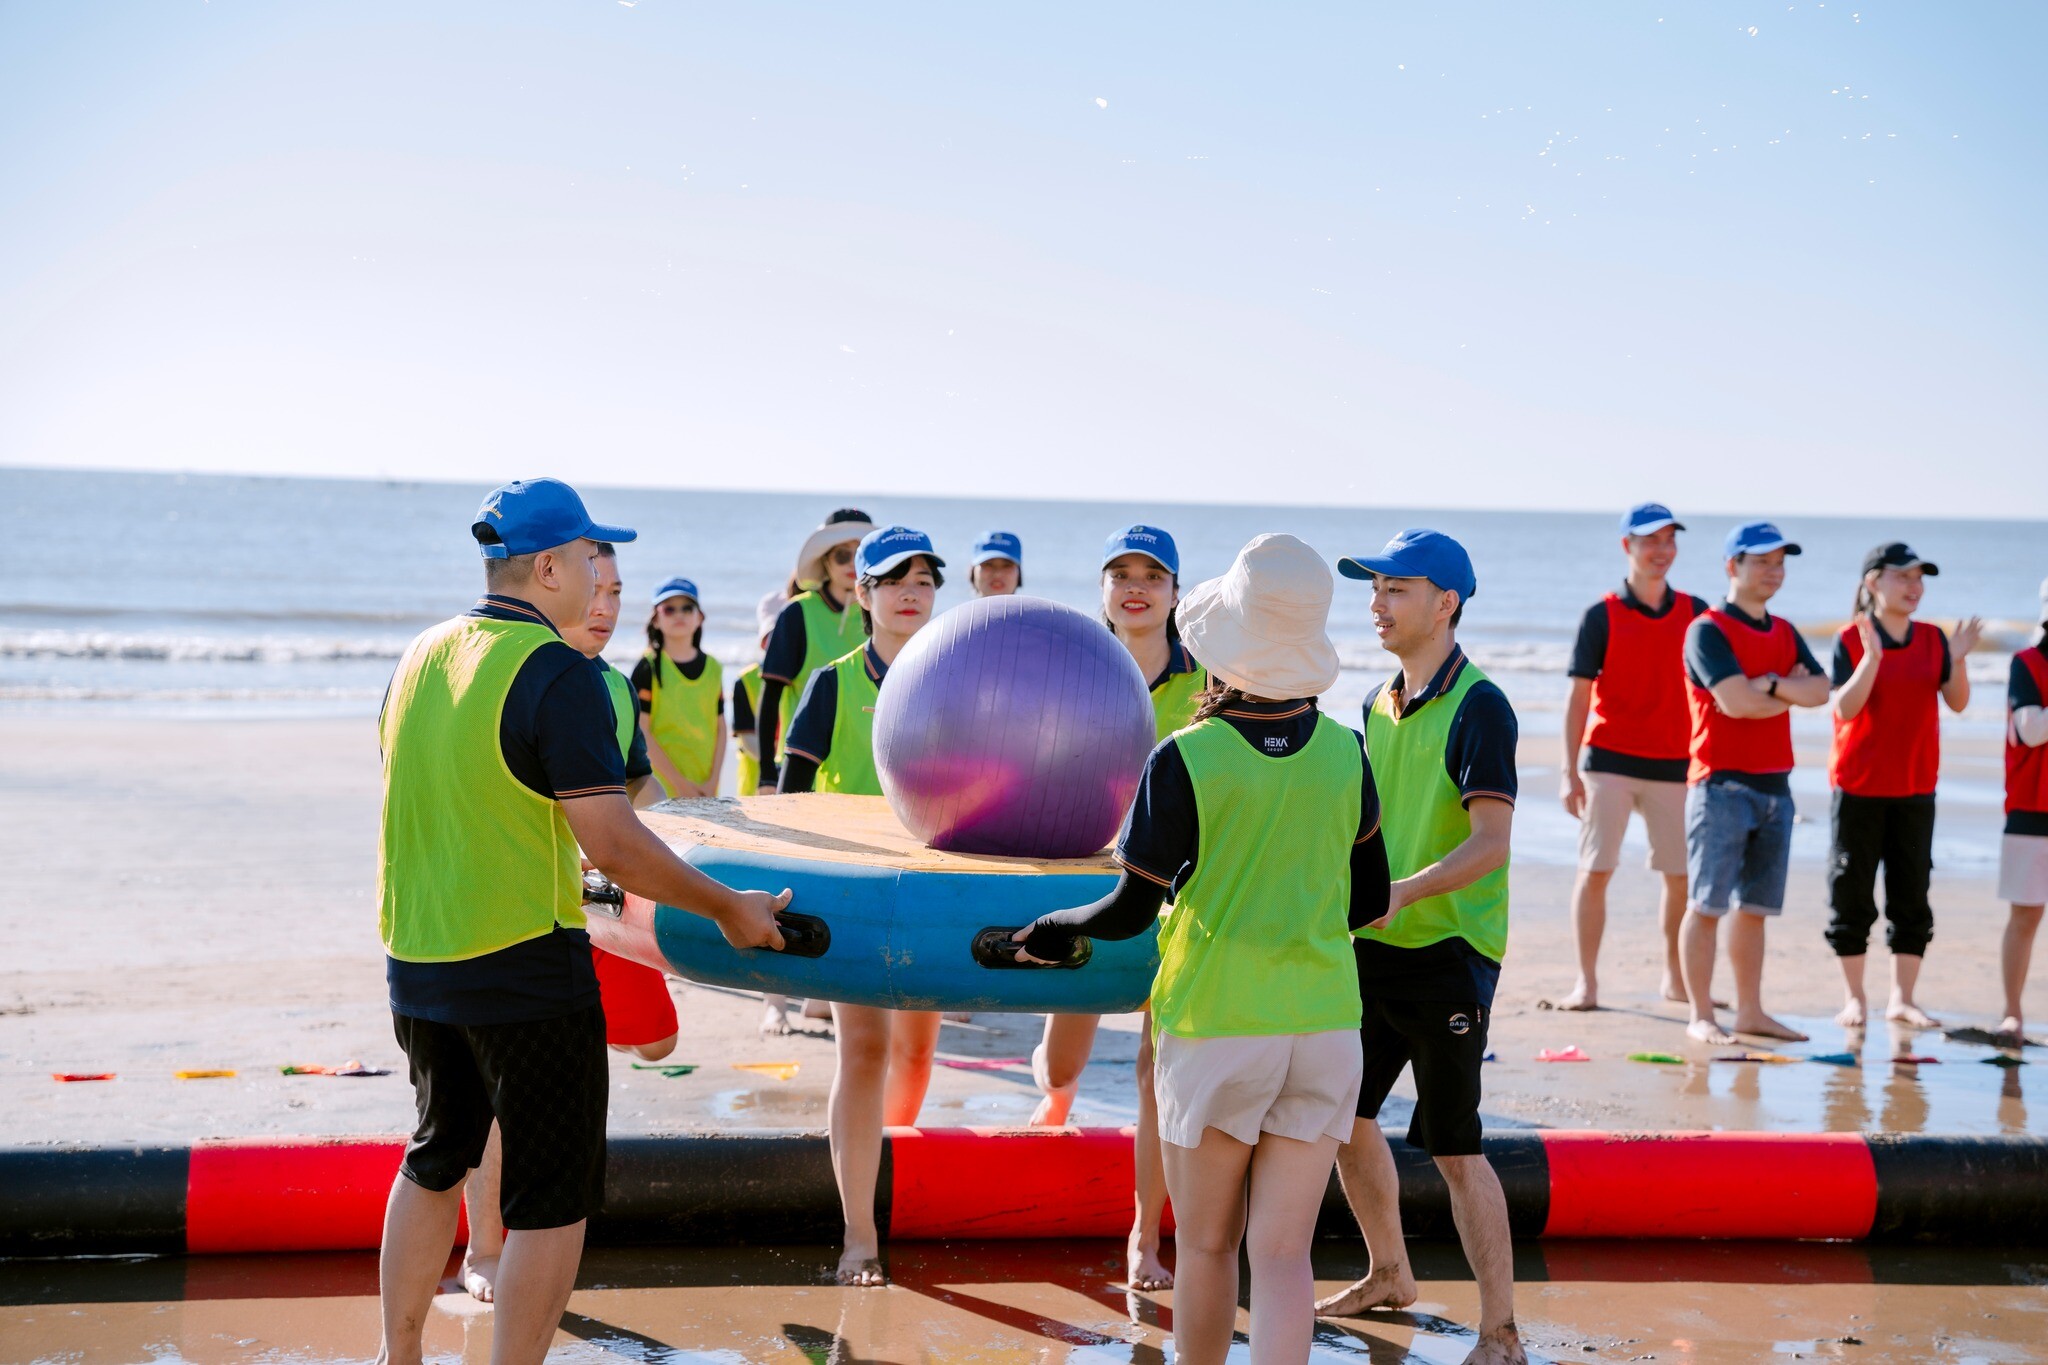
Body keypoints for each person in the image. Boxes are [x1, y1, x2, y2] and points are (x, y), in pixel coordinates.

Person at [375, 478, 786, 1365]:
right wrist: (729, 908)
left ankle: (396, 1355)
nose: (604, 573)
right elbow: (617, 843)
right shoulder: (557, 673)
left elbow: (448, 794)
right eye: (592, 556)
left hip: (416, 955)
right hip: (524, 963)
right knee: (551, 1202)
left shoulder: (419, 655)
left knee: (435, 1156)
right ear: (550, 568)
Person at [1013, 534, 1388, 1365]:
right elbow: (1369, 901)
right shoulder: (1348, 752)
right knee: (1283, 1255)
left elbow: (1127, 910)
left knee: (1210, 1246)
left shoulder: (1184, 757)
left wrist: (1056, 926)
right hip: (1327, 1024)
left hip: (1219, 1024)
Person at [1315, 528, 1524, 1365]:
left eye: (1395, 588)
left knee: (1455, 1147)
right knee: (1344, 1115)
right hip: (1375, 946)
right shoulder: (1375, 701)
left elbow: (1492, 843)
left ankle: (1500, 1331)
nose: (1376, 602)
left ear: (1446, 602)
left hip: (1450, 950)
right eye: (1373, 587)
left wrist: (1403, 890)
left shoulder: (1481, 705)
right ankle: (1390, 1271)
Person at [461, 541, 681, 1303]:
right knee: (500, 1097)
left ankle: (546, 1218)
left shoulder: (613, 686)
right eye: (596, 587)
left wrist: (693, 837)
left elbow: (636, 783)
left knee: (659, 1041)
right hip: (522, 920)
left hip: (603, 908)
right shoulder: (519, 673)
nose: (604, 606)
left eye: (617, 592)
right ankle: (485, 1249)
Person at [1028, 523, 1206, 1293]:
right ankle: (1057, 1093)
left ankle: (1144, 1235)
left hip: (1180, 898)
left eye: (1152, 575)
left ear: (1174, 592)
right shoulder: (1075, 670)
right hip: (1089, 890)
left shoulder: (1209, 678)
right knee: (1062, 1063)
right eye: (1121, 574)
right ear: (1102, 589)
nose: (1136, 587)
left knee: (1152, 1067)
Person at [779, 526, 946, 1286]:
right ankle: (860, 1233)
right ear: (863, 592)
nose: (912, 592)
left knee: (916, 1053)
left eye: (925, 580)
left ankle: (891, 1176)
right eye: (895, 580)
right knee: (866, 1050)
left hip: (935, 894)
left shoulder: (956, 681)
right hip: (853, 895)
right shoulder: (832, 684)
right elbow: (787, 800)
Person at [1678, 520, 1830, 1046]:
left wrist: (1766, 684)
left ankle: (1751, 1012)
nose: (1774, 571)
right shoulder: (1707, 630)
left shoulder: (1784, 630)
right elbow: (1735, 703)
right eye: (1762, 561)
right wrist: (1785, 692)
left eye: (1780, 562)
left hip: (1776, 787)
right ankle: (1701, 1014)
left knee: (1755, 911)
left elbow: (1821, 692)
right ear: (1732, 566)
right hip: (1719, 785)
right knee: (1706, 906)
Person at [1827, 543, 1983, 1030]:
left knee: (1911, 896)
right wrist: (1871, 659)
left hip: (1915, 788)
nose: (1914, 587)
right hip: (1858, 787)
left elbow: (1957, 702)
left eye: (1920, 578)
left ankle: (1903, 999)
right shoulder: (1851, 638)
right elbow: (1844, 708)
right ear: (1873, 582)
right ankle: (1855, 999)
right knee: (1851, 896)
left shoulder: (1934, 639)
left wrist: (1957, 659)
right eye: (1903, 577)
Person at [1557, 504, 1706, 1010]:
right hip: (1609, 763)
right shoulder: (1600, 615)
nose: (1662, 550)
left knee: (1680, 878)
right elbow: (1578, 698)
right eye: (1651, 541)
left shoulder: (1697, 612)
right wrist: (1569, 772)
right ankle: (1586, 983)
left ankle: (1676, 978)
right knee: (1595, 870)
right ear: (1628, 546)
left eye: (1670, 540)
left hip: (1677, 765)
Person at [756, 508, 877, 792]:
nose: (852, 564)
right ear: (825, 561)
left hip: (868, 772)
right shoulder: (797, 614)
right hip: (803, 769)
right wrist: (766, 775)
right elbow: (770, 696)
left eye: (860, 554)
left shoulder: (882, 612)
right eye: (841, 555)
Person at [732, 587, 796, 1037]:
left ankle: (817, 999)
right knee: (765, 897)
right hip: (756, 800)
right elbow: (752, 742)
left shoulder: (806, 675)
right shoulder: (747, 682)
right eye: (771, 638)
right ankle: (774, 1004)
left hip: (798, 795)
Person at [2000, 576, 2048, 1046]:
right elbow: (2031, 729)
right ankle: (2012, 1013)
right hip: (2032, 808)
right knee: (2025, 917)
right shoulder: (2027, 663)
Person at [631, 577, 726, 800]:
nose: (679, 614)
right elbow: (641, 732)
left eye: (687, 608)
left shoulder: (714, 667)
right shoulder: (648, 667)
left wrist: (713, 782)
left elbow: (721, 728)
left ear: (700, 617)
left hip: (706, 789)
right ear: (656, 619)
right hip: (660, 790)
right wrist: (680, 785)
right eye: (669, 609)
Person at [969, 530, 1022, 596]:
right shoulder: (958, 603)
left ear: (1019, 573)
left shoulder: (1034, 603)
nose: (997, 574)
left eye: (1007, 565)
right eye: (988, 564)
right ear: (972, 571)